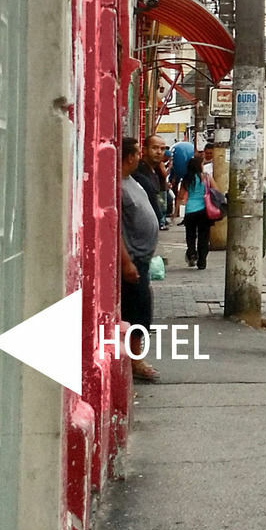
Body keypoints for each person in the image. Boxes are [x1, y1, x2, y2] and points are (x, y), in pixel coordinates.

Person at [118, 138, 160, 382]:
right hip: (133, 258)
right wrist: (125, 262)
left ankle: (134, 357)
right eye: (135, 153)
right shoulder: (119, 187)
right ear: (131, 156)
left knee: (143, 310)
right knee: (137, 312)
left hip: (142, 258)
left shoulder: (131, 181)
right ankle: (135, 360)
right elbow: (116, 229)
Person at [175, 156, 217, 269]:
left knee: (191, 235)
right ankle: (202, 260)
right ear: (199, 166)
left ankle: (192, 253)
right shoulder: (206, 177)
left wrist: (175, 212)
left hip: (190, 211)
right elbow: (216, 190)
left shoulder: (187, 179)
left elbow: (180, 196)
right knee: (204, 236)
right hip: (204, 210)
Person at [134, 135, 171, 229]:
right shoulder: (138, 172)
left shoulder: (155, 171)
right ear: (145, 150)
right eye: (154, 148)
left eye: (162, 149)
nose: (159, 152)